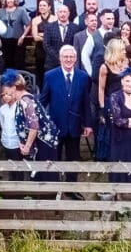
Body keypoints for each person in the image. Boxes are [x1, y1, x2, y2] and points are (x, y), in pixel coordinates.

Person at [40, 45, 93, 188]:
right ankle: (55, 187)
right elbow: (43, 101)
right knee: (54, 158)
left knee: (73, 159)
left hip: (74, 126)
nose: (68, 60)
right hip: (55, 126)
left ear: (75, 59)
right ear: (60, 58)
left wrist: (88, 124)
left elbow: (85, 103)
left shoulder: (83, 77)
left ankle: (71, 188)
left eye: (71, 57)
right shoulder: (50, 76)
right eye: (65, 57)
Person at [13, 72, 59, 181]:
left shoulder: (26, 102)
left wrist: (27, 146)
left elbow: (34, 127)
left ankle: (48, 196)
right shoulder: (23, 99)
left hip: (44, 142)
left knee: (45, 174)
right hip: (38, 141)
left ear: (13, 87)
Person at [96, 38, 129, 162]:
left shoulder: (127, 63)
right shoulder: (105, 67)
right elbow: (101, 89)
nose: (125, 52)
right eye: (122, 50)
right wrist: (102, 108)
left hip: (125, 101)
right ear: (115, 51)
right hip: (111, 103)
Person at [0, 72, 25, 179]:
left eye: (9, 94)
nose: (6, 97)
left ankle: (19, 187)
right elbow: (2, 123)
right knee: (10, 164)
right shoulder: (2, 109)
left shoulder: (19, 106)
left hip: (17, 142)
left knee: (18, 166)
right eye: (4, 95)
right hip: (6, 141)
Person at [0, 0, 31, 71]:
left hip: (17, 41)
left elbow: (28, 25)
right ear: (5, 0)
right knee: (6, 64)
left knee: (18, 64)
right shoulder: (0, 11)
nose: (10, 0)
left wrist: (22, 37)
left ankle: (19, 82)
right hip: (4, 42)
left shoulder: (21, 11)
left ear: (15, 0)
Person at [43, 4, 80, 71]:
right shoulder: (49, 27)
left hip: (70, 63)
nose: (63, 14)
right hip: (52, 64)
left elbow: (76, 46)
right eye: (60, 12)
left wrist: (68, 58)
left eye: (65, 12)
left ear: (69, 13)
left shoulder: (76, 28)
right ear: (57, 13)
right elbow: (46, 45)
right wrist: (60, 57)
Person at [30, 0, 53, 87]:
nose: (42, 7)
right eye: (40, 6)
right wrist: (48, 36)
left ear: (49, 7)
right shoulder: (35, 20)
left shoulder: (54, 18)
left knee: (51, 72)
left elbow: (55, 36)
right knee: (40, 72)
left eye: (44, 5)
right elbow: (35, 37)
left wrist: (42, 34)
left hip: (51, 50)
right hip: (39, 50)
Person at [72, 12, 101, 77]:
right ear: (86, 22)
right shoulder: (78, 36)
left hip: (98, 72)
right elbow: (77, 56)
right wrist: (77, 73)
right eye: (92, 21)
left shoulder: (101, 34)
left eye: (96, 20)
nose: (94, 22)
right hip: (83, 71)